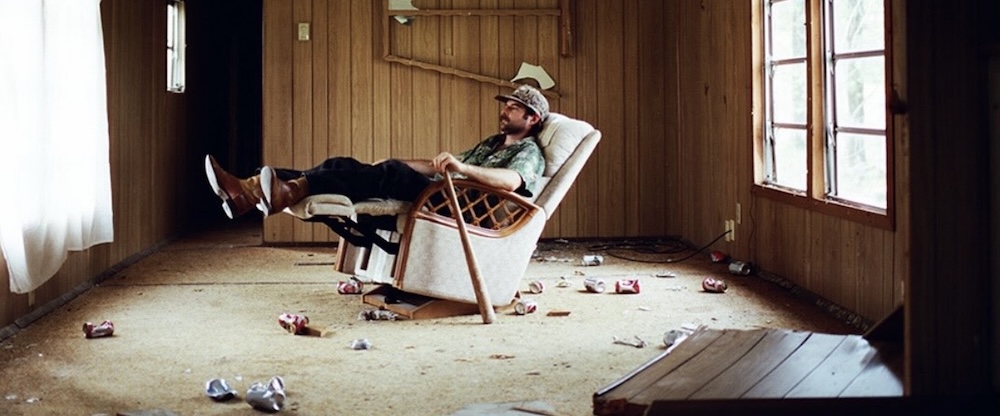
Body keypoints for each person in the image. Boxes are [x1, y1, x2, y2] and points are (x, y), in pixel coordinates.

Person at [205, 85, 549, 219]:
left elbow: (511, 182)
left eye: (513, 108)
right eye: (506, 105)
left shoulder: (529, 151)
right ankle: (248, 190)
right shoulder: (491, 143)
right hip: (442, 190)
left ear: (532, 118)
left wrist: (463, 168)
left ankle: (281, 191)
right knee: (344, 164)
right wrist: (395, 162)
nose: (504, 111)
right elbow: (437, 166)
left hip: (461, 207)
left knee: (390, 175)